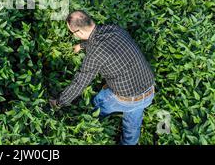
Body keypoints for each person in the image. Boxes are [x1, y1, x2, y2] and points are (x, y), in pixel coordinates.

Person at [49, 10, 155, 145]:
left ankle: (91, 124)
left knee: (98, 102)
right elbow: (99, 40)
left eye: (72, 33)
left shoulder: (95, 54)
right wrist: (82, 45)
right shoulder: (114, 29)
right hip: (149, 90)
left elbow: (79, 83)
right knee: (133, 124)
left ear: (79, 33)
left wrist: (59, 102)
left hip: (127, 98)